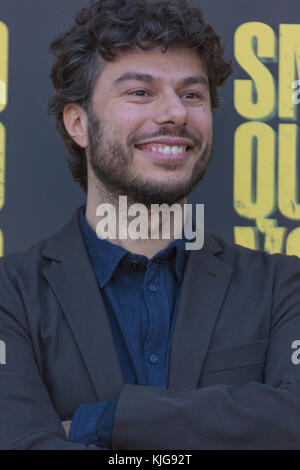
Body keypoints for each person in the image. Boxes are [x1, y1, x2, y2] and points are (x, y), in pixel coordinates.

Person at [1, 0, 300, 450]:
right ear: (79, 123)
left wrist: (105, 422)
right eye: (140, 92)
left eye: (192, 94)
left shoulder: (280, 285)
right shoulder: (11, 293)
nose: (175, 113)